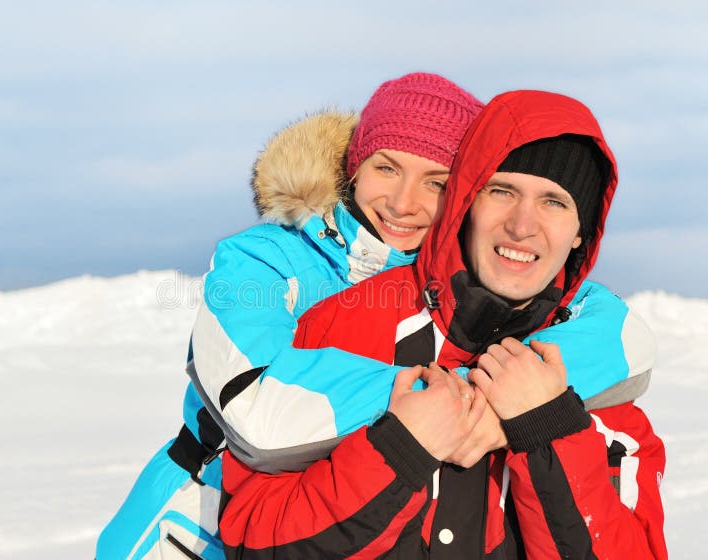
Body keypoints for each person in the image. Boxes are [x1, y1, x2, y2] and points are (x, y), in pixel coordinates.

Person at [218, 90, 666, 558]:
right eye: (502, 191)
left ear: (581, 232)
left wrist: (548, 431)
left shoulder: (597, 384)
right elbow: (251, 540)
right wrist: (397, 451)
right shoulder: (339, 327)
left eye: (554, 202)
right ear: (467, 201)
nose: (521, 225)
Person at [96, 72, 485, 559]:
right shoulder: (261, 263)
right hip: (198, 528)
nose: (403, 203)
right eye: (387, 168)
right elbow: (256, 409)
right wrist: (447, 398)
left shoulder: (457, 287)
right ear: (355, 166)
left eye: (436, 182)